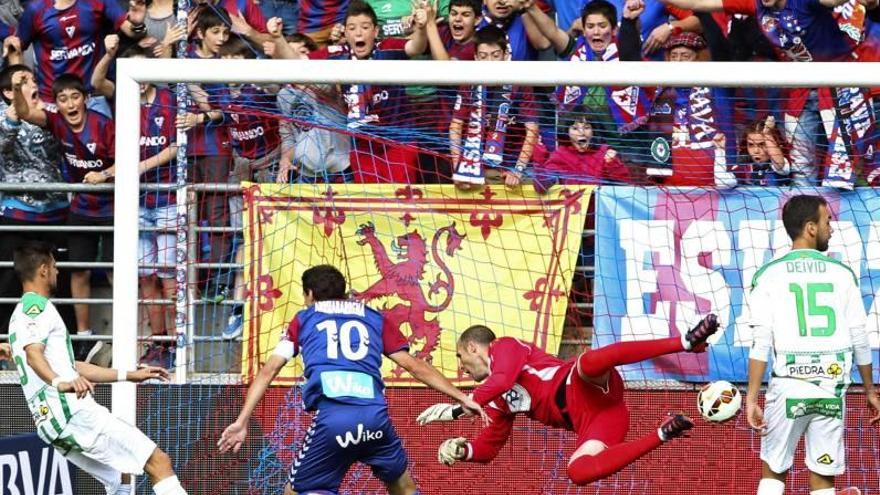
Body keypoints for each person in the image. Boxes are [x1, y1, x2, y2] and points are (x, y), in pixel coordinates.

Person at [218, 264, 485, 495]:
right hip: (375, 419)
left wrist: (241, 422)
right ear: (344, 293)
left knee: (296, 490)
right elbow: (413, 365)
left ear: (309, 295)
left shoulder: (304, 319)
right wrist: (463, 397)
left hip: (334, 421)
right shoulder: (374, 317)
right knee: (404, 488)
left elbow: (269, 370)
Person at [417, 314, 721, 485]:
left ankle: (684, 341)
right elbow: (490, 446)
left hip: (581, 385)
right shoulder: (494, 401)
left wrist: (459, 408)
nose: (460, 366)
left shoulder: (504, 346)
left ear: (473, 348)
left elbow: (504, 378)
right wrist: (463, 449)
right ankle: (663, 432)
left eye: (460, 356)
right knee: (577, 472)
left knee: (588, 361)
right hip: (598, 420)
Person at [7, 241, 185, 495]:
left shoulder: (20, 316)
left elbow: (69, 366)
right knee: (159, 461)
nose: (58, 273)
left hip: (53, 422)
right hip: (72, 413)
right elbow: (34, 356)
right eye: (55, 267)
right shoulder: (36, 309)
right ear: (44, 269)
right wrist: (61, 383)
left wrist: (129, 375)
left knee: (120, 479)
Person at [744, 195, 880, 495]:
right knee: (823, 477)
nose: (831, 228)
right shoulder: (843, 275)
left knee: (773, 473)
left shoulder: (767, 275)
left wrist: (752, 397)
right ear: (810, 228)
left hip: (788, 388)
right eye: (827, 222)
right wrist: (870, 390)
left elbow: (761, 342)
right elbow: (860, 336)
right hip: (831, 388)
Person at [13, 72, 117, 363]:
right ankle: (84, 337)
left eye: (75, 96)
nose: (70, 104)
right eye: (62, 99)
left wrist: (105, 174)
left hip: (112, 208)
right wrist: (15, 87)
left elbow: (129, 161)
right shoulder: (56, 121)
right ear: (56, 104)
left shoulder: (104, 126)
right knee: (78, 269)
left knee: (114, 272)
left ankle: (121, 335)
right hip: (81, 209)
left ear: (85, 99)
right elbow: (23, 112)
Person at [449, 25, 539, 188]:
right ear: (476, 57)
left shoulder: (520, 82)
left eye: (495, 55)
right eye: (483, 56)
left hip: (517, 164)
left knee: (535, 183)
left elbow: (532, 130)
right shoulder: (469, 84)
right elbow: (456, 126)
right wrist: (458, 168)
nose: (489, 62)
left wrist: (518, 170)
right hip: (480, 166)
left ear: (505, 55)